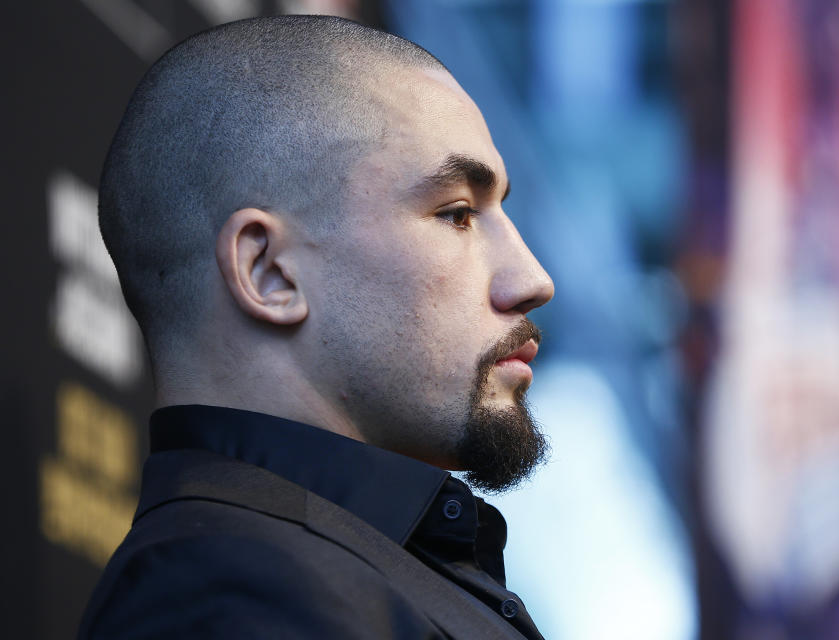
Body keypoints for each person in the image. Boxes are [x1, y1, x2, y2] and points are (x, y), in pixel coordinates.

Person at [77, 14, 554, 640]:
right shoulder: (231, 587)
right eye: (458, 213)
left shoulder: (336, 568)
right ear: (269, 272)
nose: (532, 279)